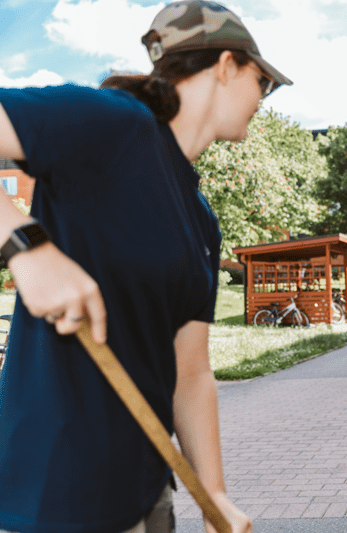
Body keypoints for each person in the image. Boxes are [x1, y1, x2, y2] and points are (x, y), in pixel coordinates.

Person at [0, 1, 291, 532]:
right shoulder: (112, 123)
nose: (262, 100)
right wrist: (26, 245)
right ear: (226, 65)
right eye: (262, 82)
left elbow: (192, 373)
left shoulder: (200, 217)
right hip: (57, 499)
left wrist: (214, 493)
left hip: (147, 497)